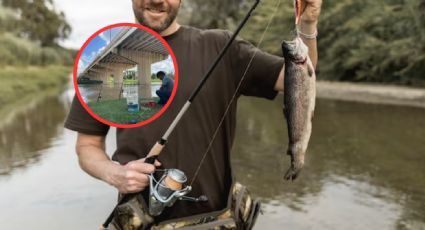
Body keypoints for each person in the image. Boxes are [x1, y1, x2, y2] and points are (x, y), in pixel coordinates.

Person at [65, 0, 322, 229]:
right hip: (140, 220)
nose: (156, 1)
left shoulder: (222, 46)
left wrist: (307, 25)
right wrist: (114, 173)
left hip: (217, 219)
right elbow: (87, 147)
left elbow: (296, 80)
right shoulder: (101, 62)